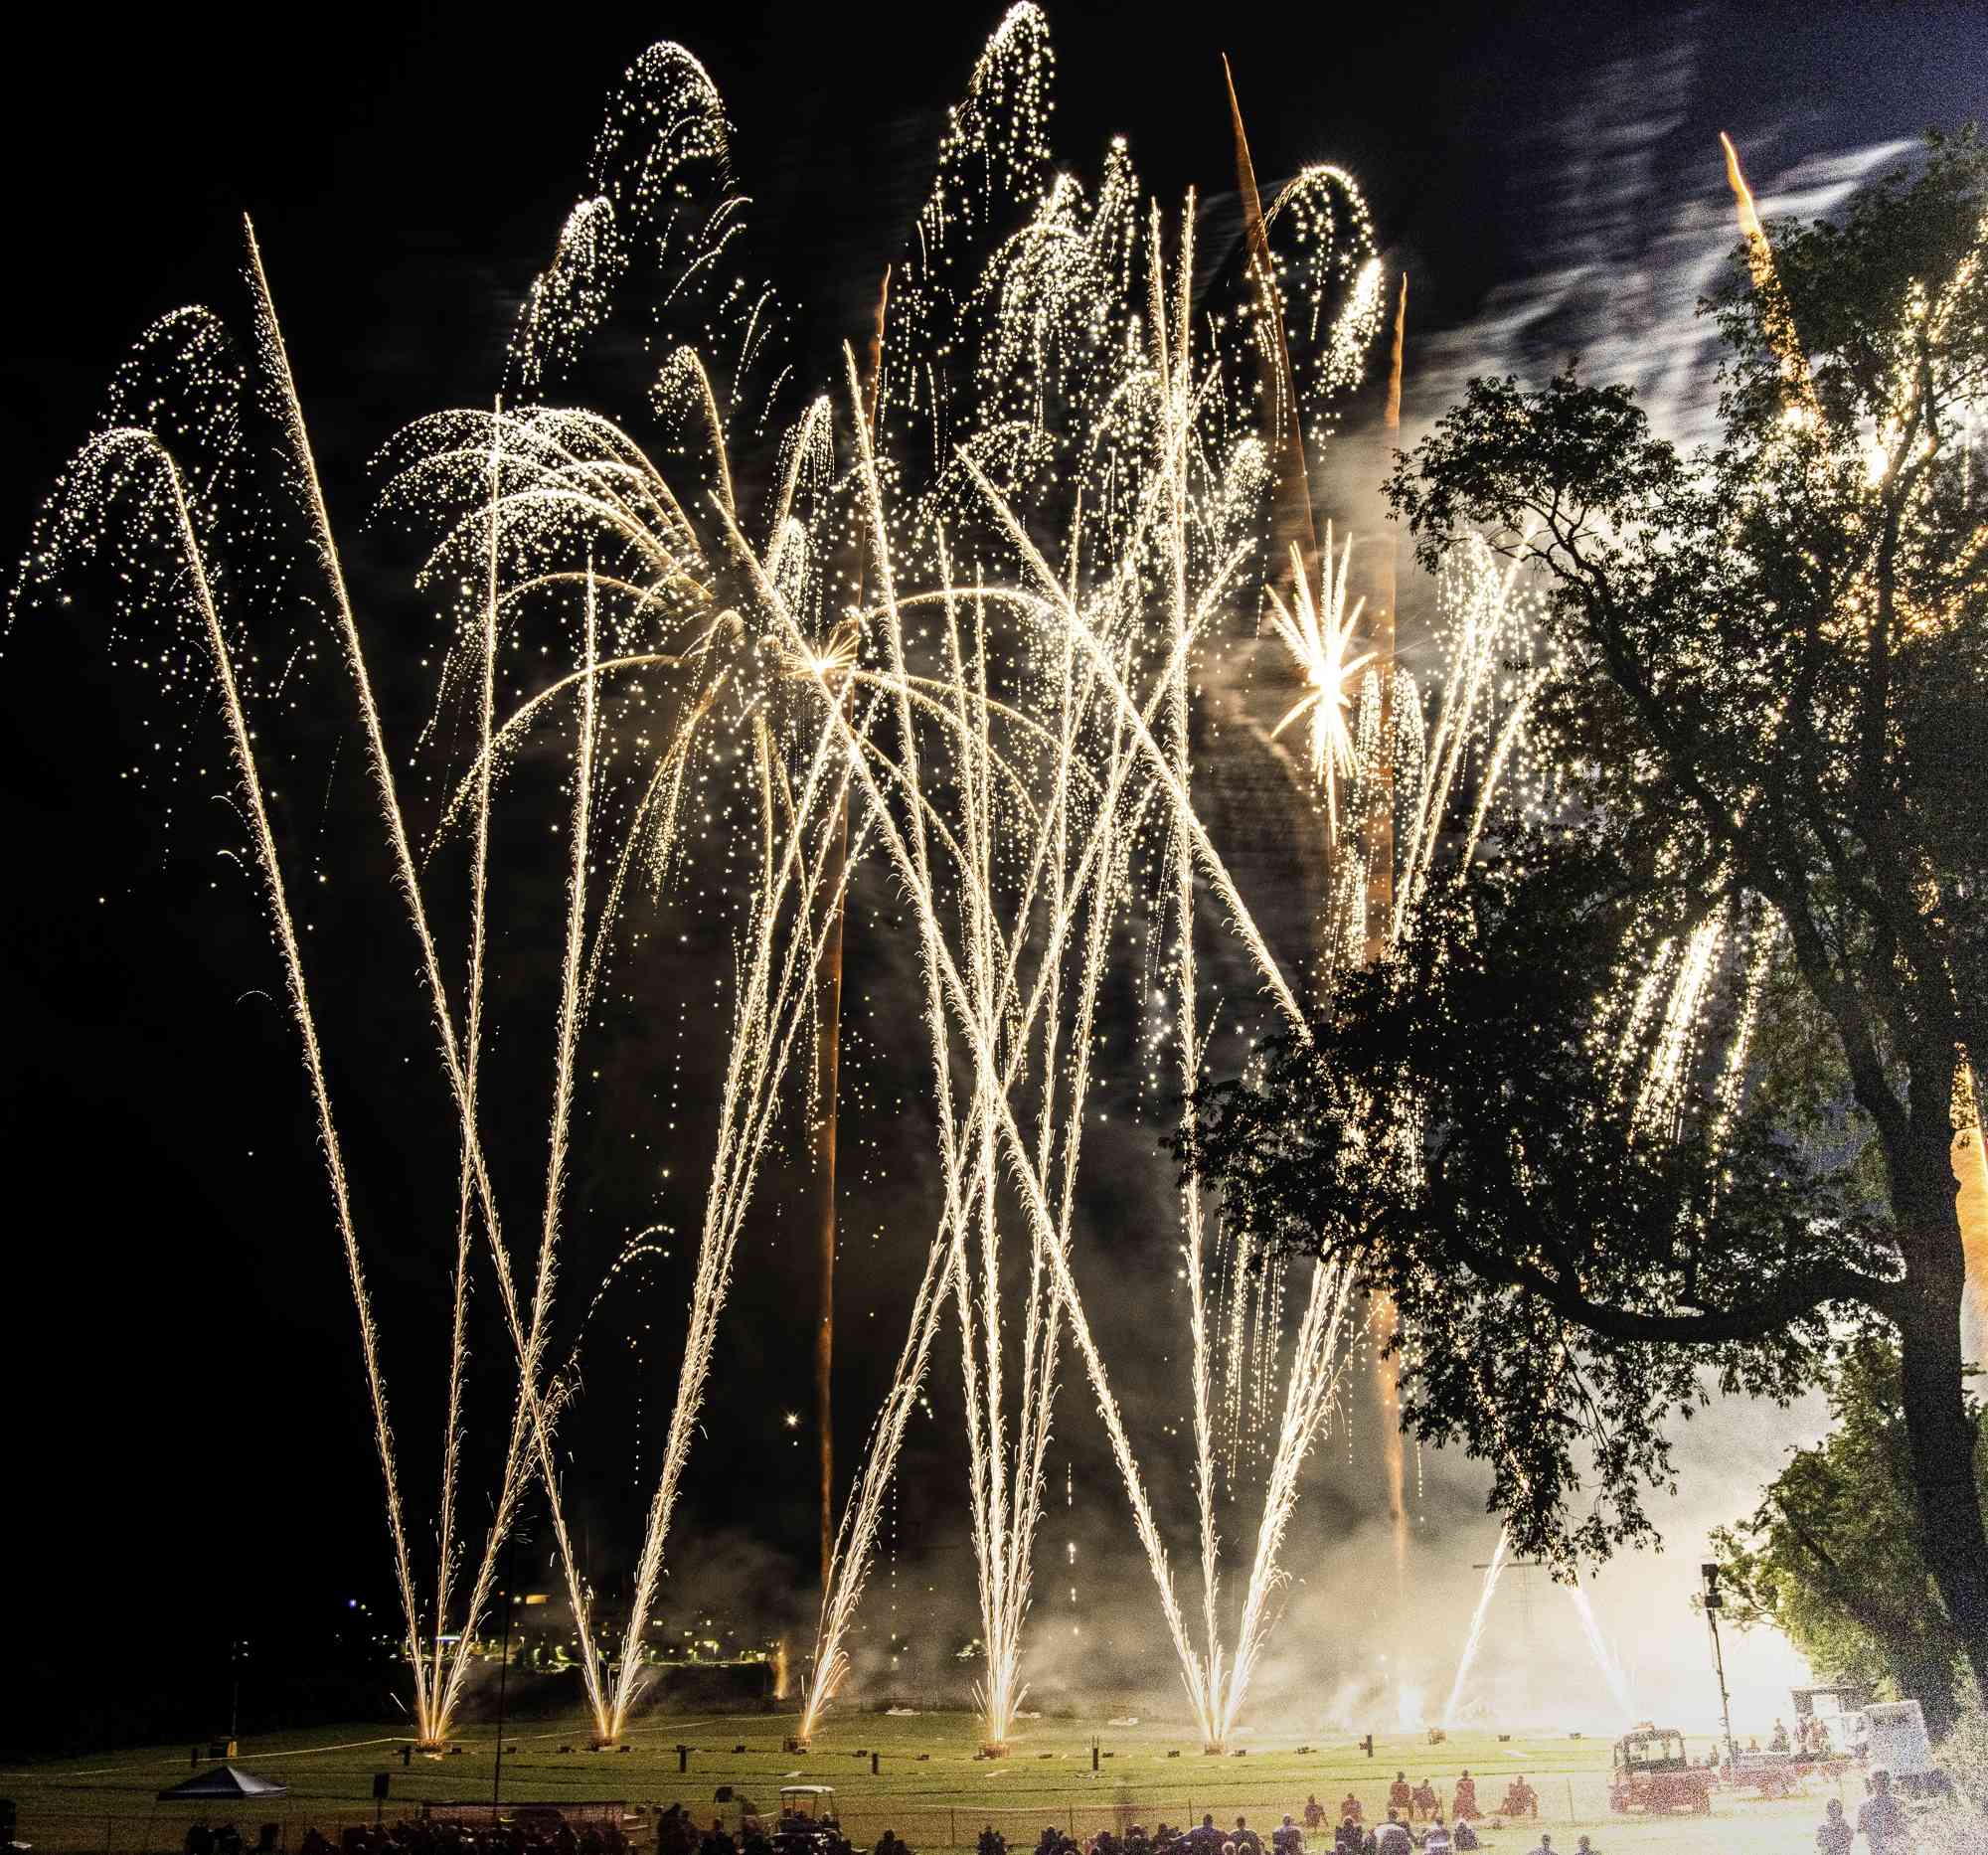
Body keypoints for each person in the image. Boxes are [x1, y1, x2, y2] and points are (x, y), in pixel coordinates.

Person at [1857, 1771, 1908, 1853]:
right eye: (1878, 1780)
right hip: (1879, 1846)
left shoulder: (1899, 1802)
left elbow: (1904, 1826)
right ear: (1871, 1783)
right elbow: (1861, 1829)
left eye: (1883, 1780)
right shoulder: (1865, 1805)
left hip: (1893, 1845)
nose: (1881, 1783)